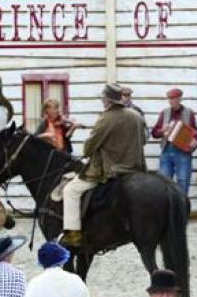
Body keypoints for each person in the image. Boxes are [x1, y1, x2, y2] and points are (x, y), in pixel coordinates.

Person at [61, 83, 147, 248]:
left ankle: (73, 235)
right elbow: (143, 140)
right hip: (137, 169)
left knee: (70, 190)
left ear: (107, 100)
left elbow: (88, 149)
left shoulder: (106, 118)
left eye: (102, 98)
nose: (102, 101)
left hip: (112, 170)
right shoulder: (136, 115)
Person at [151, 88, 197, 195]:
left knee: (183, 183)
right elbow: (154, 133)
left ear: (179, 98)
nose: (170, 101)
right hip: (167, 151)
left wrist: (191, 147)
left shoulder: (189, 113)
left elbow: (196, 136)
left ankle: (182, 210)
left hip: (183, 153)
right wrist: (162, 131)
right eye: (169, 98)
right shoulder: (164, 113)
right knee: (163, 183)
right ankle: (166, 210)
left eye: (173, 98)